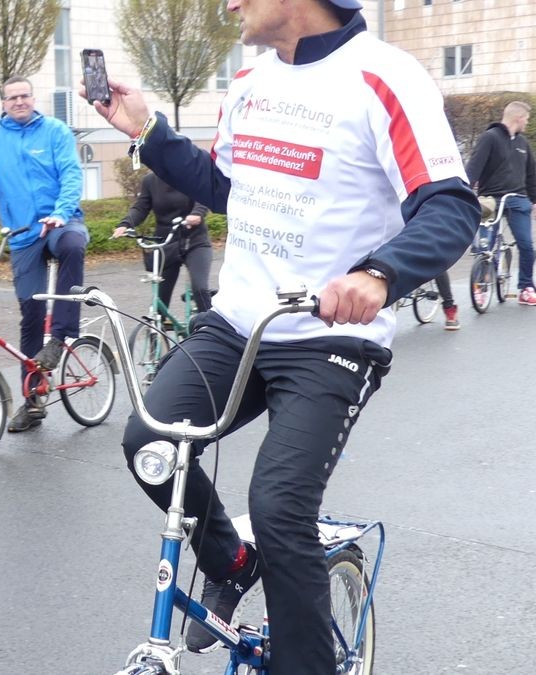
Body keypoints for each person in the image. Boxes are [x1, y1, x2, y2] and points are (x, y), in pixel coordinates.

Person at [85, 0, 478, 671]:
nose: (231, 3)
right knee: (150, 440)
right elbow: (228, 188)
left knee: (278, 506)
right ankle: (231, 563)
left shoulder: (385, 76)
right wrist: (147, 130)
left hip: (330, 339)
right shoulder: (249, 83)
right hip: (238, 325)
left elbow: (449, 206)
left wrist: (380, 274)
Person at [0, 76, 87, 434]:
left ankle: (60, 337)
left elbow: (72, 174)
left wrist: (61, 210)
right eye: (12, 98)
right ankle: (33, 401)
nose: (19, 102)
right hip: (24, 235)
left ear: (33, 98)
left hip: (59, 222)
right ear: (3, 103)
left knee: (73, 245)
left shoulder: (56, 131)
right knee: (29, 315)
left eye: (25, 95)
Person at [465, 101, 536, 306]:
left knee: (526, 244)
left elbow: (531, 174)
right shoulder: (490, 138)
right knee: (484, 245)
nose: (527, 122)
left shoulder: (523, 144)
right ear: (519, 118)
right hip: (491, 199)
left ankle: (526, 287)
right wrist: (465, 192)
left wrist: (534, 199)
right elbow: (474, 167)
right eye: (527, 119)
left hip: (518, 200)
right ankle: (481, 284)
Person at [115, 171, 214, 315]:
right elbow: (141, 207)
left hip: (194, 241)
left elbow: (202, 198)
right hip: (166, 244)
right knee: (160, 302)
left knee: (200, 288)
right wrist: (126, 224)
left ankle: (211, 328)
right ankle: (157, 331)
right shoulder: (150, 181)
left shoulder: (190, 174)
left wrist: (197, 213)